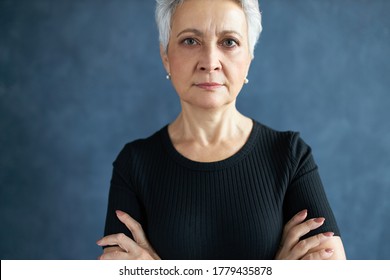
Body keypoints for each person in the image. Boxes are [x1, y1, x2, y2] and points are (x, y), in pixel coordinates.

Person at [97, 0, 346, 260]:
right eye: (191, 41)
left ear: (249, 58)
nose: (210, 62)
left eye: (229, 42)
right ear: (166, 58)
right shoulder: (134, 164)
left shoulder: (290, 156)